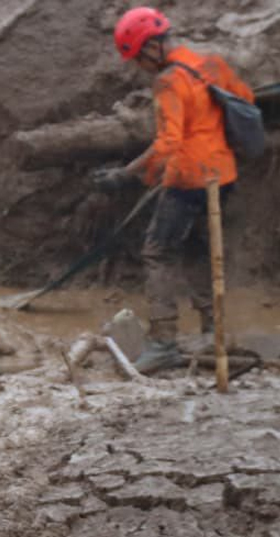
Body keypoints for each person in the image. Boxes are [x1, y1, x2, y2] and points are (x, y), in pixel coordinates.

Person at [93, 7, 255, 373]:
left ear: (150, 48)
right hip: (222, 175)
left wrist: (126, 173)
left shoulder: (168, 82)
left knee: (158, 252)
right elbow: (244, 98)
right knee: (200, 248)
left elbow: (167, 143)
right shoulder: (210, 63)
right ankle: (214, 331)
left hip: (190, 179)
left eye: (137, 58)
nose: (139, 66)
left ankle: (164, 342)